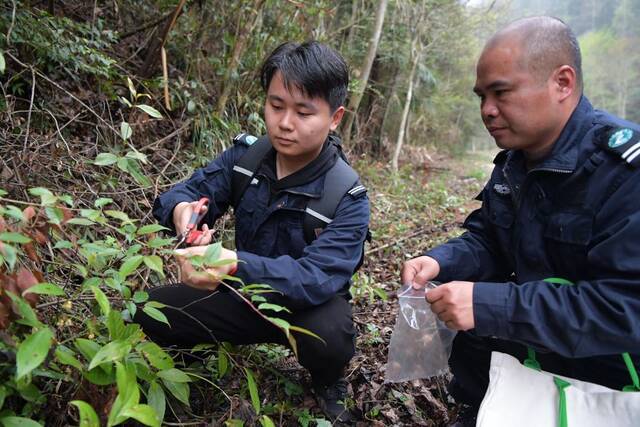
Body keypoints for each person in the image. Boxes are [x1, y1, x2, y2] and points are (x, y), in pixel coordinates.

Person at [401, 16, 640, 425]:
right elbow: (489, 239)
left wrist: (491, 306)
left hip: (606, 374)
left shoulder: (623, 173)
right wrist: (440, 261)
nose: (487, 111)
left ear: (562, 83)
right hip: (529, 350)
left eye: (501, 93)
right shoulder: (515, 161)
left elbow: (625, 308)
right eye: (481, 97)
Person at [134, 41, 369, 422]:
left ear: (335, 117)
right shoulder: (247, 159)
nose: (285, 122)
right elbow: (184, 192)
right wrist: (182, 212)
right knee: (149, 308)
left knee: (331, 335)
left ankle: (328, 380)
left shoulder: (347, 196)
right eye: (276, 106)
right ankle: (191, 355)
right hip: (241, 293)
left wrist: (232, 264)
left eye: (303, 111)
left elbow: (316, 278)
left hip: (304, 309)